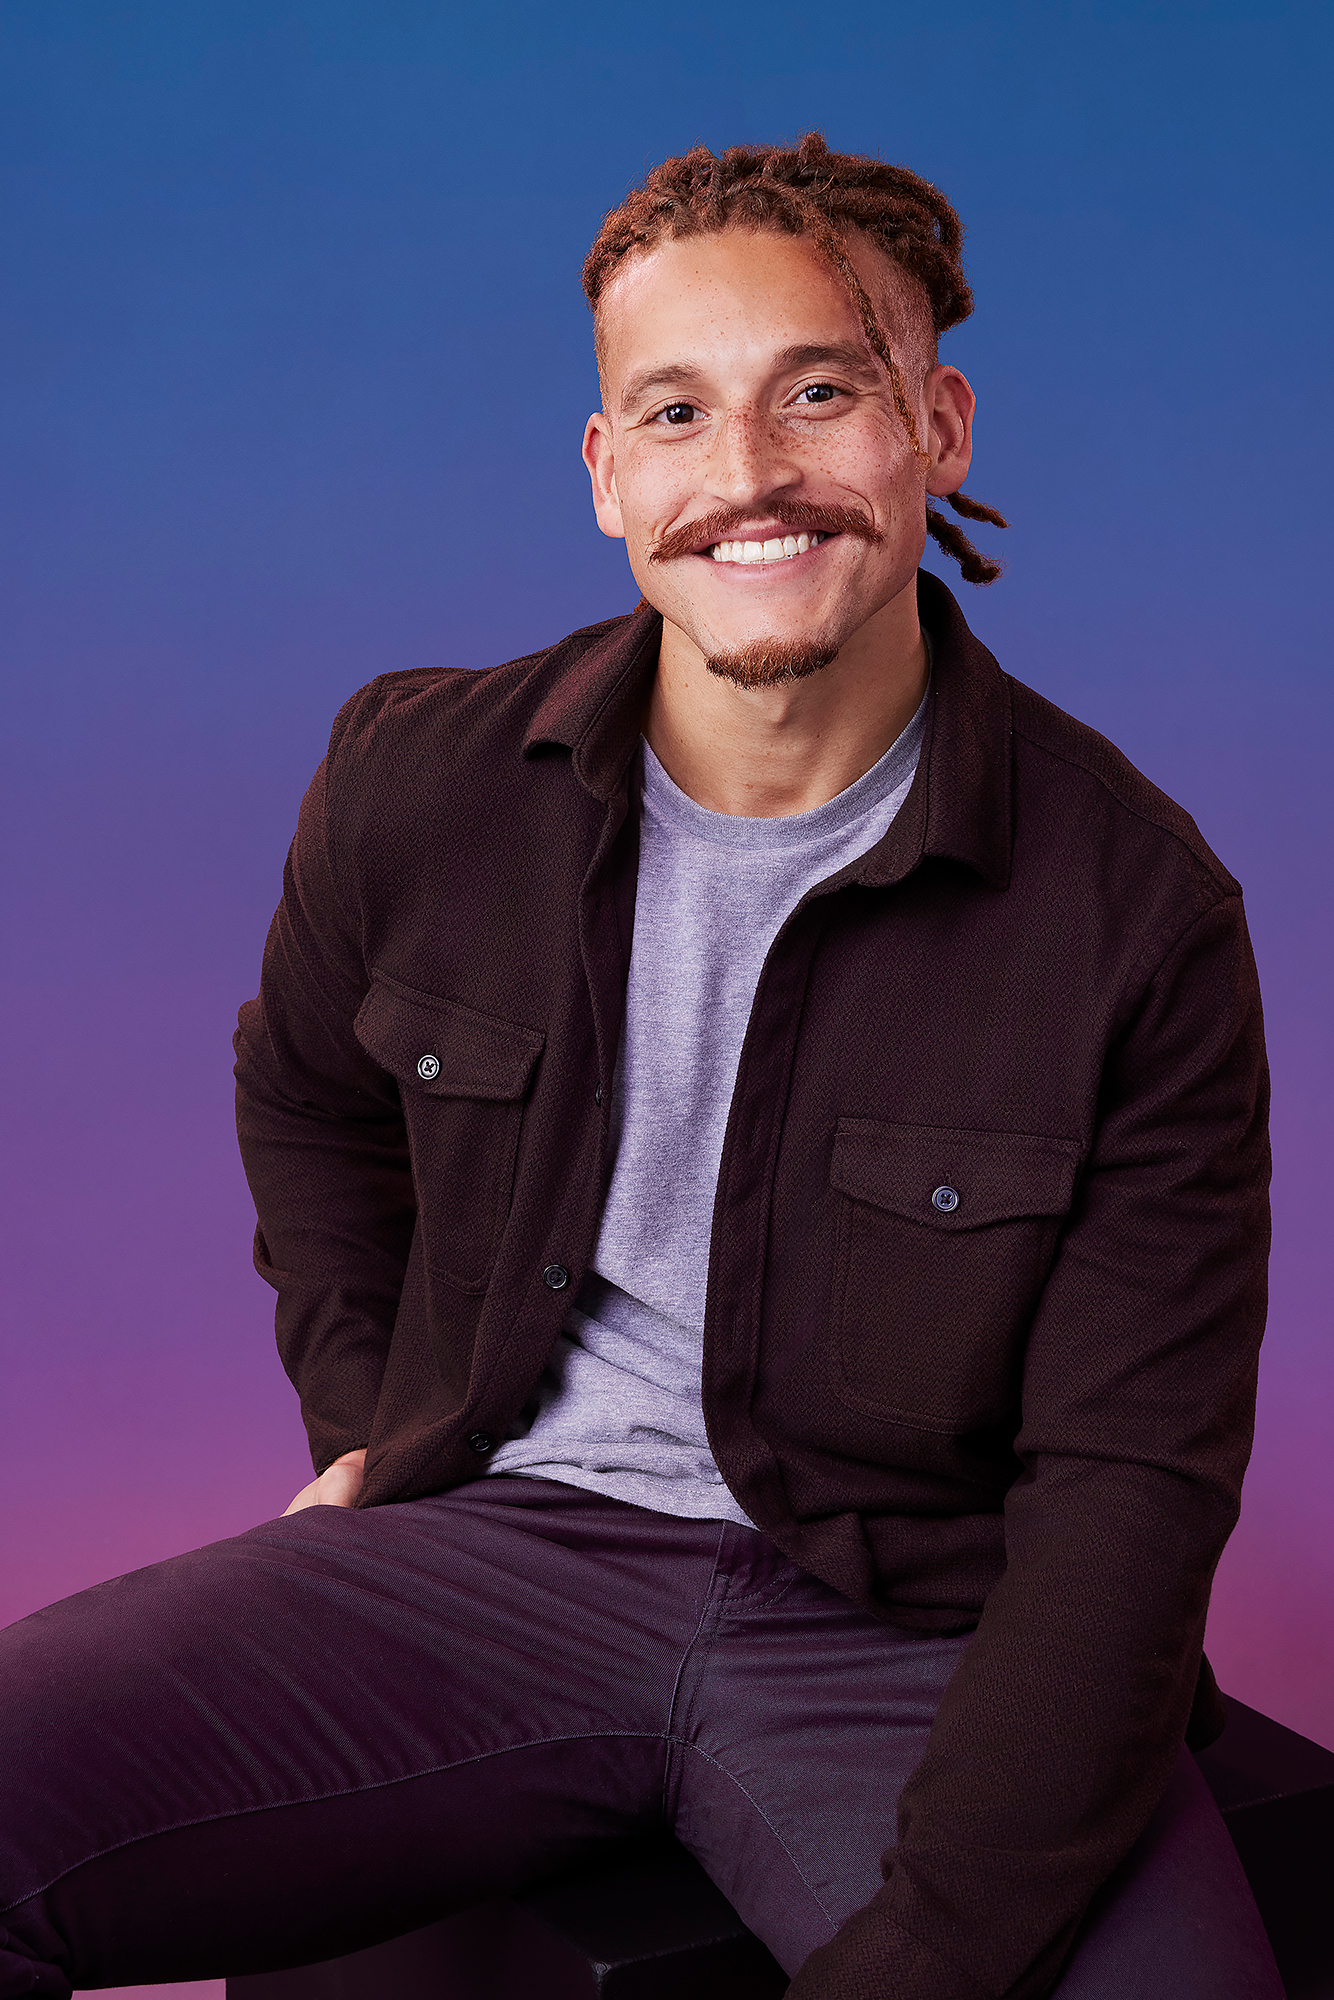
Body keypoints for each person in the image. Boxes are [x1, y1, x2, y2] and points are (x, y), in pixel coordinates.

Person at [0, 136, 1281, 2000]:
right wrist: (381, 1430)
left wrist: (928, 1958)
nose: (745, 474)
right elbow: (304, 1098)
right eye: (677, 412)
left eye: (818, 392)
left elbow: (1127, 1488)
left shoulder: (1134, 915)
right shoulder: (416, 782)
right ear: (607, 474)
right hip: (499, 1554)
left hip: (919, 1630)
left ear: (936, 428)